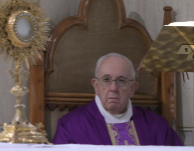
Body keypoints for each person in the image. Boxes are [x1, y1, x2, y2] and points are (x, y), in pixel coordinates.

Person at [52, 53, 182, 146]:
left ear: (132, 88)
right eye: (106, 80)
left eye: (121, 80)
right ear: (96, 86)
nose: (113, 88)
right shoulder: (71, 126)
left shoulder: (157, 125)